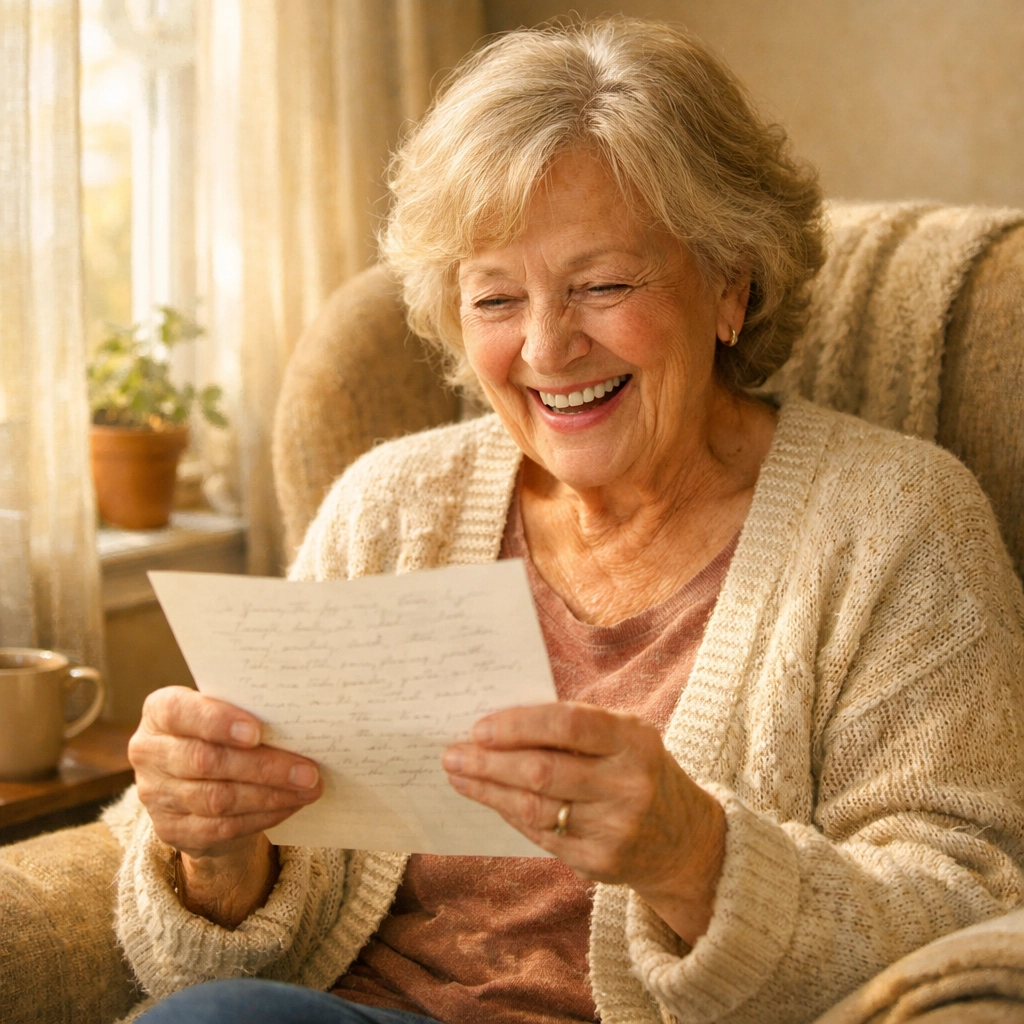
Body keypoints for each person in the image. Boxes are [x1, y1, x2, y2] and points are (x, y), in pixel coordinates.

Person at [115, 18, 1024, 1024]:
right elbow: (208, 945)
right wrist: (217, 848)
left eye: (601, 285)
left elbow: (968, 908)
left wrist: (696, 855)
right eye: (496, 298)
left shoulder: (893, 520)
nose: (548, 348)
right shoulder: (387, 507)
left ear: (730, 283)